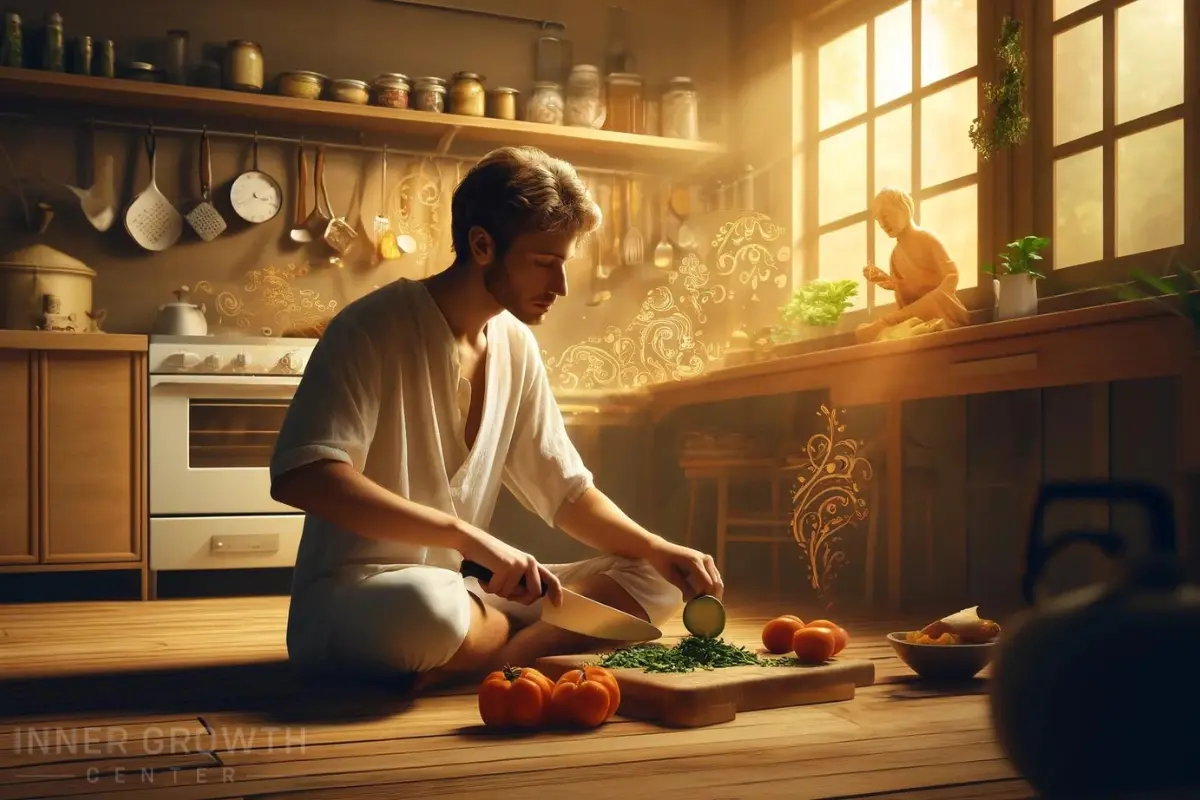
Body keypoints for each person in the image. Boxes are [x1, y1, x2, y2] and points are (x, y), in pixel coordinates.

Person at [269, 145, 723, 690]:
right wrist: (465, 538)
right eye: (544, 263)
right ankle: (514, 639)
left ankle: (495, 654)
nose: (561, 287)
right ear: (483, 245)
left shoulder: (515, 345)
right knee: (425, 609)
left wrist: (656, 548)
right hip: (365, 597)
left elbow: (566, 491)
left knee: (658, 577)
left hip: (464, 591)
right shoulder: (371, 328)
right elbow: (305, 476)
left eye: (564, 264)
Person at [857, 186, 971, 343]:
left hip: (937, 306)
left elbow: (952, 276)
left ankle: (889, 329)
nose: (882, 223)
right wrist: (881, 279)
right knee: (864, 331)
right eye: (878, 219)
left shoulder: (927, 239)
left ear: (904, 208)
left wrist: (935, 298)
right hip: (914, 312)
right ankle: (891, 329)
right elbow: (902, 289)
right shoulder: (895, 255)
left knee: (885, 324)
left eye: (886, 215)